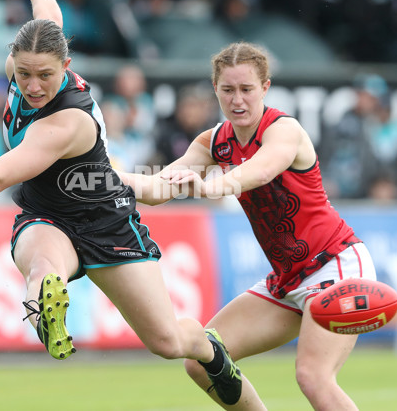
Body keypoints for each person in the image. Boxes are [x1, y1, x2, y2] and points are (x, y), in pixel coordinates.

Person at [0, 0, 242, 404]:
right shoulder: (27, 62)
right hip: (47, 214)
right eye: (23, 73)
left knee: (169, 343)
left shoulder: (66, 121)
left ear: (65, 65)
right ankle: (46, 300)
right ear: (14, 61)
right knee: (43, 264)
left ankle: (206, 347)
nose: (33, 85)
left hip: (104, 218)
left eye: (45, 75)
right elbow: (49, 18)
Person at [120, 42, 378, 410]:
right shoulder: (214, 142)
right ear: (215, 90)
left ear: (265, 88)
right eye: (228, 90)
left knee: (313, 376)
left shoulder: (284, 130)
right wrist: (103, 176)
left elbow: (261, 170)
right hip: (289, 279)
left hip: (336, 266)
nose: (237, 100)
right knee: (202, 360)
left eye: (246, 89)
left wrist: (211, 186)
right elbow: (158, 187)